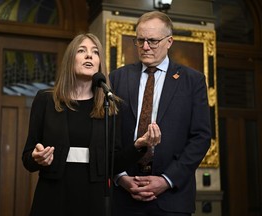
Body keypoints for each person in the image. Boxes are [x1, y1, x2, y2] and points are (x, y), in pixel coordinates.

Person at [22, 33, 161, 216]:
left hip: (94, 198)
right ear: (70, 59)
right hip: (53, 195)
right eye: (82, 51)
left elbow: (113, 164)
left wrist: (139, 146)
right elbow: (27, 159)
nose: (89, 56)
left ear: (99, 63)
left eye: (95, 52)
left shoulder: (112, 106)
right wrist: (37, 157)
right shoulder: (46, 100)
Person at [109, 11, 211, 216]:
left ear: (169, 41)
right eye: (140, 40)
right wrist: (120, 176)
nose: (145, 47)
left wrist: (167, 180)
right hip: (125, 197)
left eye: (153, 41)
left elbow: (201, 137)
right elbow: (108, 134)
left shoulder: (192, 81)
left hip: (172, 199)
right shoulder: (118, 78)